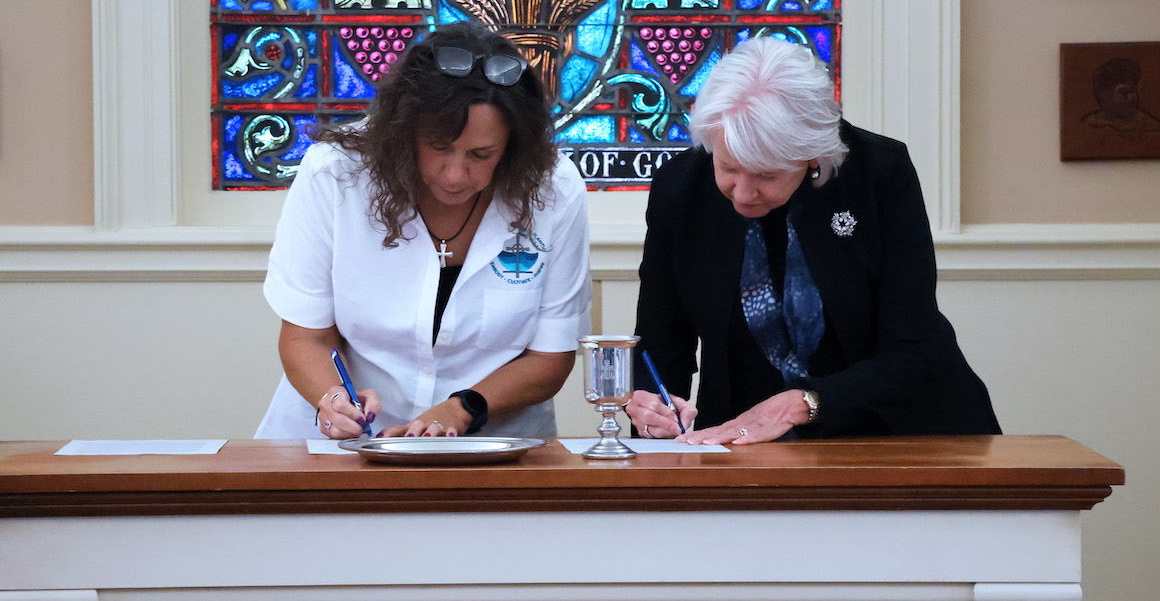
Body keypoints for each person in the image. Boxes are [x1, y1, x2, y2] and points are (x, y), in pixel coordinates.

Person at [626, 35, 1000, 445]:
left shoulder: (878, 174)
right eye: (728, 167)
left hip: (892, 436)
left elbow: (915, 348)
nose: (743, 192)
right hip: (740, 442)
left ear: (811, 153)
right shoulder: (680, 190)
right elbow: (659, 343)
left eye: (766, 174)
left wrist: (804, 402)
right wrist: (652, 408)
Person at [254, 22, 592, 440]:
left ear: (513, 146)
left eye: (480, 155)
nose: (455, 174)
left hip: (492, 445)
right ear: (403, 131)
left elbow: (550, 358)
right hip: (348, 443)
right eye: (438, 146)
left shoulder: (553, 188)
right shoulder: (336, 173)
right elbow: (306, 336)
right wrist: (334, 398)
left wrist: (464, 408)